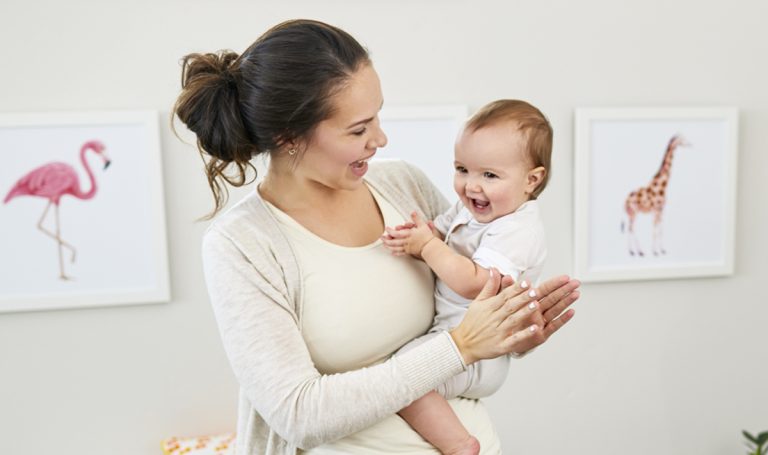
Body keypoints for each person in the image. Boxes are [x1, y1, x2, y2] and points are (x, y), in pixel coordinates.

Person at [173, 19, 580, 455]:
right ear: (288, 137)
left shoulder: (403, 185)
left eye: (378, 117)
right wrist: (458, 347)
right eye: (358, 129)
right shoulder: (243, 245)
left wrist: (512, 332)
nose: (380, 139)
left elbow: (467, 305)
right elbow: (297, 414)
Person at [381, 99, 553, 454]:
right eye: (462, 169)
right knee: (401, 377)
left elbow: (475, 283)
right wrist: (419, 232)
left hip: (480, 353)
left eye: (489, 175)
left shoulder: (518, 230)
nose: (471, 186)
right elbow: (441, 230)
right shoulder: (473, 210)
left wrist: (426, 247)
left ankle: (459, 445)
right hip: (453, 337)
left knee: (404, 380)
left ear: (531, 180)